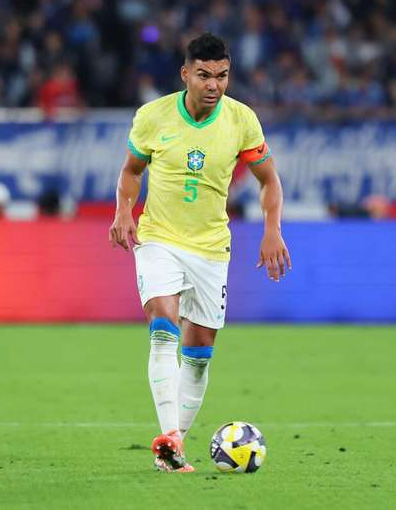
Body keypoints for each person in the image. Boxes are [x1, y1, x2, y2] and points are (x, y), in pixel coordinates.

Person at [108, 33, 290, 473]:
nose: (214, 85)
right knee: (163, 323)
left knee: (199, 352)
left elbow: (268, 179)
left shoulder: (242, 120)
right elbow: (132, 171)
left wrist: (272, 230)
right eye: (204, 75)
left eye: (222, 76)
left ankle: (176, 447)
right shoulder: (153, 116)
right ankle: (168, 436)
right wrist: (123, 211)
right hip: (159, 238)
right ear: (185, 74)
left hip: (210, 248)